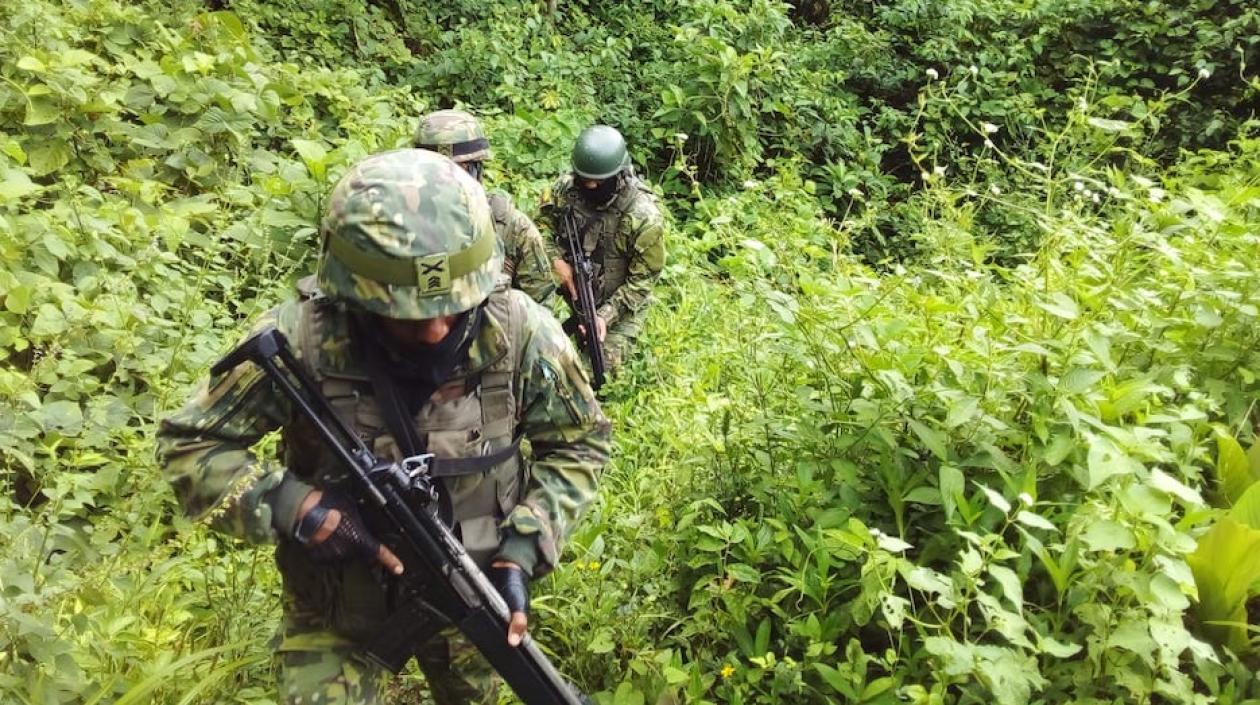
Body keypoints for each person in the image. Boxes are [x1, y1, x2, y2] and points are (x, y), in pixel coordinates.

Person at [157, 149, 610, 704]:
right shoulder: (302, 340)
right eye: (409, 312)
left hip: (474, 586)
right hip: (337, 604)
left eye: (455, 305)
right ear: (355, 294)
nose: (437, 329)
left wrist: (525, 545)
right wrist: (294, 506)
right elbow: (190, 444)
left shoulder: (520, 332)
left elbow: (580, 442)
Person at [540, 125, 666, 373]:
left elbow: (641, 284)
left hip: (619, 307)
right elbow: (539, 229)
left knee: (590, 374)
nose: (588, 187)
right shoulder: (565, 191)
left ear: (618, 175)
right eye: (583, 180)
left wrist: (604, 316)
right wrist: (556, 261)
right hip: (567, 291)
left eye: (597, 183)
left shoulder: (643, 216)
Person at [415, 109, 556, 305]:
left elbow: (541, 307)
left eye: (456, 170)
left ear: (476, 171)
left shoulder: (510, 228)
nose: (444, 182)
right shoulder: (399, 224)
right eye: (435, 172)